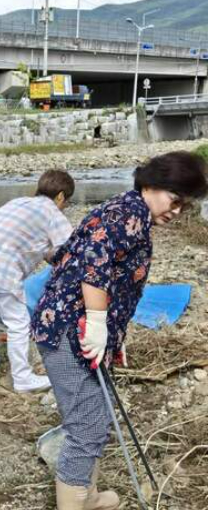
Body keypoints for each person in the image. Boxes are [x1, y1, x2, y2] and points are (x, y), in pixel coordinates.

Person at [31, 152, 207, 510]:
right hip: (67, 330)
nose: (175, 212)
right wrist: (96, 325)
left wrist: (112, 338)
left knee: (96, 413)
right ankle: (75, 503)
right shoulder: (125, 214)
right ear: (152, 184)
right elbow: (93, 270)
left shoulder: (135, 215)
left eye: (183, 207)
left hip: (80, 330)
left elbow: (103, 273)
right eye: (174, 201)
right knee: (87, 425)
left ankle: (88, 496)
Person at [0, 170, 75, 393]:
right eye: (66, 202)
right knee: (18, 322)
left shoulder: (20, 202)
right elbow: (72, 248)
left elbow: (32, 243)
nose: (65, 206)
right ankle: (22, 377)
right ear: (60, 196)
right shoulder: (52, 213)